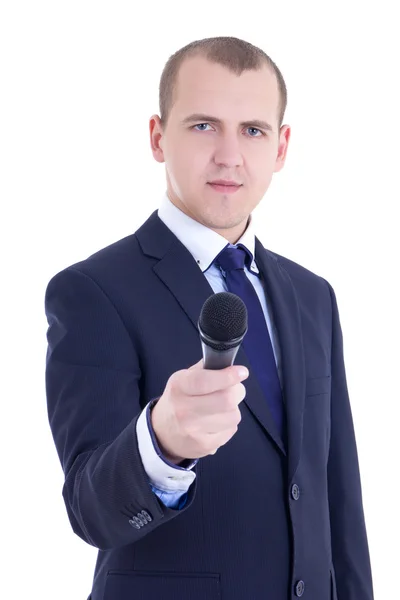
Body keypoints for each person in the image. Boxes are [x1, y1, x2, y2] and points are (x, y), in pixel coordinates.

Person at [44, 36, 374, 600]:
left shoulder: (312, 294)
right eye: (202, 126)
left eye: (252, 130)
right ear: (157, 137)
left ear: (281, 146)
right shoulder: (92, 290)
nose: (229, 156)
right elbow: (90, 509)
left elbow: (336, 495)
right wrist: (162, 443)